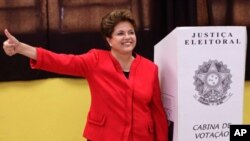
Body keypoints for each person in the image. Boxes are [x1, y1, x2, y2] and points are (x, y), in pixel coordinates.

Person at [3, 9, 168, 141]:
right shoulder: (95, 60)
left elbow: (158, 113)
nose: (128, 37)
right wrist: (21, 48)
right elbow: (60, 61)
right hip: (103, 137)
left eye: (131, 32)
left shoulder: (150, 68)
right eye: (120, 33)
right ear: (109, 40)